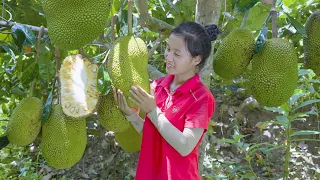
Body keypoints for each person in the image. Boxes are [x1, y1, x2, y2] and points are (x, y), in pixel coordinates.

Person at [113, 21, 220, 180]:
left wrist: (153, 111)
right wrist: (131, 115)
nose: (168, 57)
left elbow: (185, 146)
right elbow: (152, 134)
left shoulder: (201, 98)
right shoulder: (157, 86)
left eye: (177, 54)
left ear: (196, 59)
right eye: (168, 49)